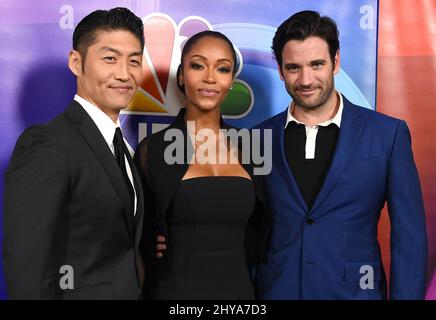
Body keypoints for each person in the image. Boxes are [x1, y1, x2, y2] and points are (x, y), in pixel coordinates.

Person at [255, 10, 428, 299]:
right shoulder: (257, 138)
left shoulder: (387, 135)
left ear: (336, 62)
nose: (306, 79)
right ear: (281, 69)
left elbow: (410, 238)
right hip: (277, 291)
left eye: (317, 64)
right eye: (294, 67)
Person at [3, 8, 145, 299]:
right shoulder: (47, 144)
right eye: (109, 58)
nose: (123, 73)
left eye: (134, 61)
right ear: (76, 62)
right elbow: (27, 267)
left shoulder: (124, 149)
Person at [134, 30, 271, 300]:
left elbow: (263, 231)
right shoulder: (154, 150)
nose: (210, 77)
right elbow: (135, 234)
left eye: (222, 68)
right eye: (198, 65)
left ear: (231, 80)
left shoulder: (252, 148)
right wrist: (149, 241)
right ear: (182, 75)